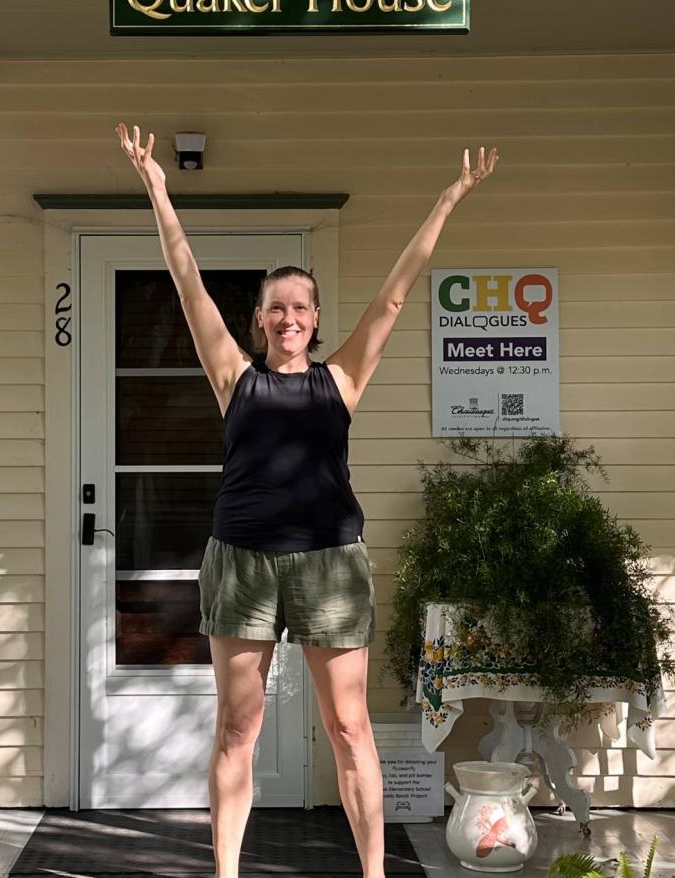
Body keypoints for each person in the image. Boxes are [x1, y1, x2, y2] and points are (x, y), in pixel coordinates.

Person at [116, 122, 497, 878]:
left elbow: (393, 297)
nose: (289, 319)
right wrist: (157, 188)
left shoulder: (341, 380)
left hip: (329, 565)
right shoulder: (235, 378)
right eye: (276, 308)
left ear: (316, 319)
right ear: (259, 319)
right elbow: (187, 283)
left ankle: (374, 872)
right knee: (236, 730)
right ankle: (225, 872)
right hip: (242, 562)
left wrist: (449, 200)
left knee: (349, 728)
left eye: (302, 308)